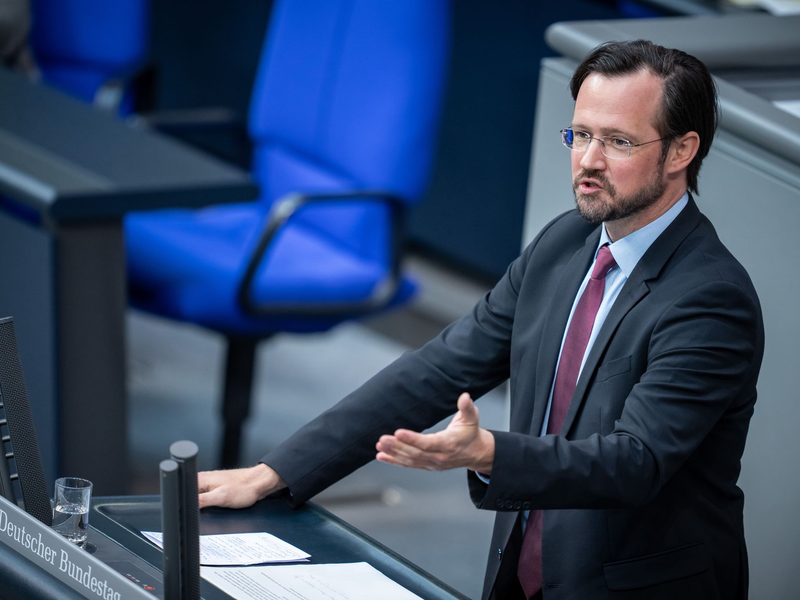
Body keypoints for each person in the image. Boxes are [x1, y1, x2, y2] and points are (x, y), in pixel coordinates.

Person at [198, 39, 763, 600]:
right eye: (581, 135)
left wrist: (491, 453)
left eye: (617, 141)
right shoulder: (563, 243)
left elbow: (634, 461)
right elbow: (441, 369)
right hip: (523, 573)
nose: (589, 160)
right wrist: (276, 473)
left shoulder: (710, 298)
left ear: (682, 150)